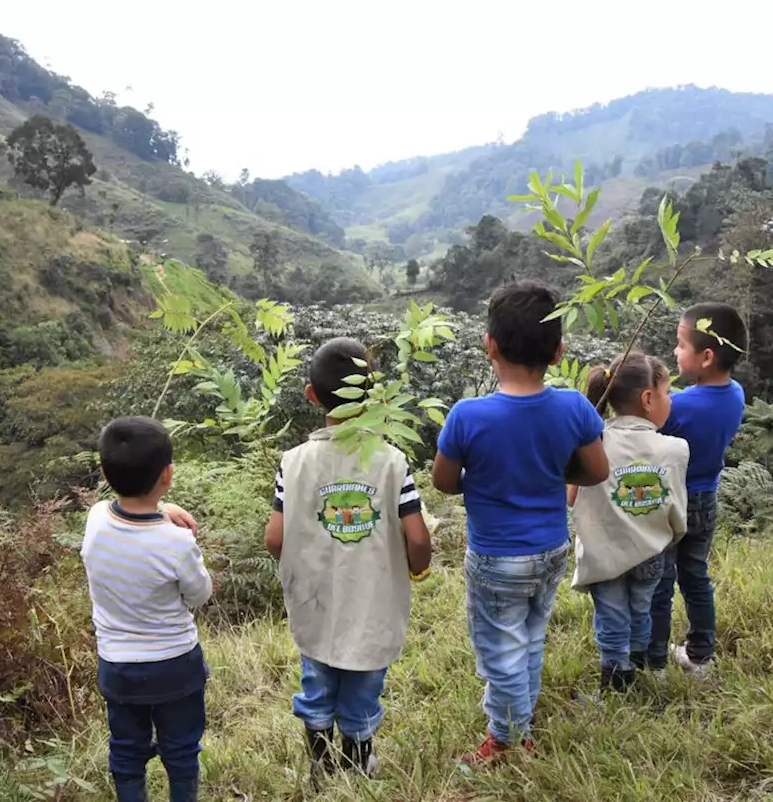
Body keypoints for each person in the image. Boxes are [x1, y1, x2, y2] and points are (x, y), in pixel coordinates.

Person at [432, 279, 609, 765]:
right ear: (558, 352)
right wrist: (552, 472)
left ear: (489, 345)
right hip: (551, 548)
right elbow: (597, 470)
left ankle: (509, 740)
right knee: (530, 635)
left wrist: (486, 481)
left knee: (501, 650)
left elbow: (444, 482)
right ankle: (520, 714)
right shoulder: (574, 406)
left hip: (496, 559)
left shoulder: (468, 415)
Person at [264, 338, 432, 779]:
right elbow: (416, 536)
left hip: (313, 599)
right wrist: (419, 567)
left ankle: (320, 763)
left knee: (316, 678)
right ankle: (358, 765)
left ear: (310, 395)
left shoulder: (292, 462)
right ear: (372, 391)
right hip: (372, 599)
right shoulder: (392, 461)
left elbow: (275, 537)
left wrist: (299, 562)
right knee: (362, 683)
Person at [82, 416, 214, 802]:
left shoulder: (94, 522)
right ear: (167, 475)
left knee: (126, 752)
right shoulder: (176, 542)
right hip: (175, 665)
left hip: (118, 666)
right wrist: (173, 522)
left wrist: (159, 508)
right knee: (182, 750)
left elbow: (113, 509)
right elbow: (199, 594)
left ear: (105, 472)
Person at [568, 352, 688, 695]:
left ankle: (616, 682)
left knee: (612, 617)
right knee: (641, 610)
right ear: (648, 399)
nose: (671, 400)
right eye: (667, 392)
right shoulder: (676, 448)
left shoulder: (593, 443)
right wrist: (670, 537)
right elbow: (677, 506)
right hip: (650, 552)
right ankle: (635, 672)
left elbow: (572, 498)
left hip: (603, 554)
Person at [647, 302, 748, 677]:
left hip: (672, 501)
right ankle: (701, 655)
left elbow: (645, 434)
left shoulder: (679, 406)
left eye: (679, 345)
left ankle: (654, 660)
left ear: (706, 357)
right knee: (696, 577)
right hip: (706, 499)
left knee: (660, 582)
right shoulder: (736, 393)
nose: (674, 352)